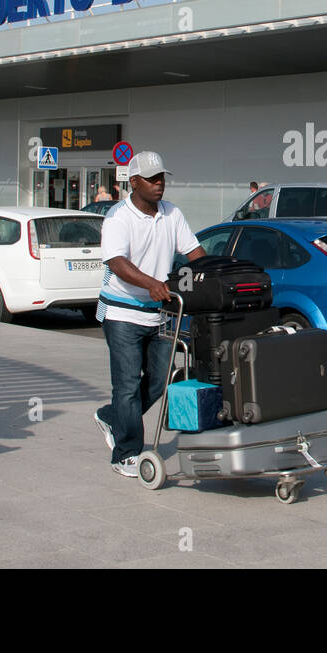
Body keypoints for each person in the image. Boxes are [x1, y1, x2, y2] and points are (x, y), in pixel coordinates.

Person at [93, 152, 205, 477]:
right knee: (127, 386)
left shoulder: (172, 214)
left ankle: (112, 417)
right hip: (122, 313)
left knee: (158, 382)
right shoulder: (117, 218)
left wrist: (214, 274)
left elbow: (194, 252)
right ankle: (126, 453)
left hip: (160, 315)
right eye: (153, 179)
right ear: (134, 182)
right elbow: (117, 262)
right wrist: (152, 283)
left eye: (163, 178)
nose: (160, 184)